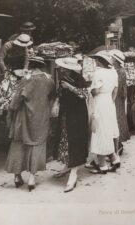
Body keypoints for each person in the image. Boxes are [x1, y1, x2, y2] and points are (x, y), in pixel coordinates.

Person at [5, 56, 56, 192]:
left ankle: (17, 177)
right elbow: (52, 97)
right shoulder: (49, 80)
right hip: (41, 117)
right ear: (42, 66)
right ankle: (32, 179)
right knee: (37, 145)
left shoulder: (26, 80)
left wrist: (11, 112)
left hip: (23, 118)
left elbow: (15, 103)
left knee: (19, 144)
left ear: (30, 67)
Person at [53, 57, 89, 193]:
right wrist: (56, 102)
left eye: (63, 67)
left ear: (69, 68)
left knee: (75, 142)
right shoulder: (62, 78)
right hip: (66, 113)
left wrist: (70, 87)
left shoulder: (79, 79)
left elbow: (84, 95)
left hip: (77, 115)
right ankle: (67, 166)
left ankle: (73, 174)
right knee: (65, 140)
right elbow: (60, 94)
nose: (61, 69)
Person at [89, 51, 121, 174]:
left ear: (100, 61)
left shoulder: (98, 73)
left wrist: (91, 91)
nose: (95, 61)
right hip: (108, 102)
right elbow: (115, 89)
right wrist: (111, 101)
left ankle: (102, 165)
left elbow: (95, 91)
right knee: (106, 129)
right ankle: (114, 158)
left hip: (100, 102)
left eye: (97, 59)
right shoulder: (113, 72)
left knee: (99, 130)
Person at [109, 49, 130, 155]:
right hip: (115, 96)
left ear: (116, 60)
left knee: (118, 118)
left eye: (112, 58)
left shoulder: (121, 71)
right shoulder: (115, 70)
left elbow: (118, 87)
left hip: (117, 97)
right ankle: (115, 145)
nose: (110, 59)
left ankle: (119, 144)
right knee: (115, 119)